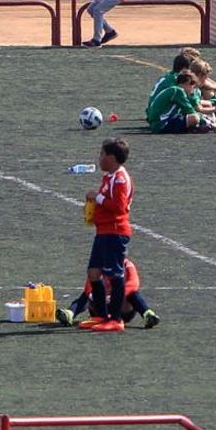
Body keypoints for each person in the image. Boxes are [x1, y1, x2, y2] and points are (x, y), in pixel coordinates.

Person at [78, 138, 133, 332]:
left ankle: (116, 319)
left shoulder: (120, 178)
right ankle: (101, 315)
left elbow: (118, 207)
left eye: (102, 154)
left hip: (115, 232)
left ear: (111, 157)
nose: (99, 158)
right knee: (93, 272)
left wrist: (97, 197)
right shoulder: (109, 177)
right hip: (103, 232)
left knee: (115, 275)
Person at [56, 257, 159, 329]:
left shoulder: (127, 265)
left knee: (134, 293)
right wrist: (98, 296)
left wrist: (116, 296)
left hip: (122, 308)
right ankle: (70, 313)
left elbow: (134, 283)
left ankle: (147, 314)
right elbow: (88, 288)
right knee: (86, 295)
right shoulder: (97, 266)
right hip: (100, 307)